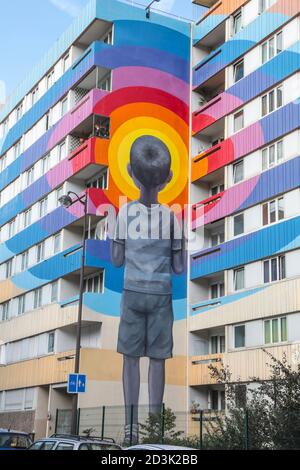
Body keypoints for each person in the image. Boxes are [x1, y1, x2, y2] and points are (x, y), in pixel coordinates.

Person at [111, 135, 185, 445]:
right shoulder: (172, 218)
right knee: (157, 359)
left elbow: (116, 260)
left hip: (132, 292)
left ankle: (131, 426)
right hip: (161, 296)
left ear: (130, 171)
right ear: (168, 179)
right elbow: (179, 268)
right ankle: (156, 427)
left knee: (130, 358)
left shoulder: (124, 214)